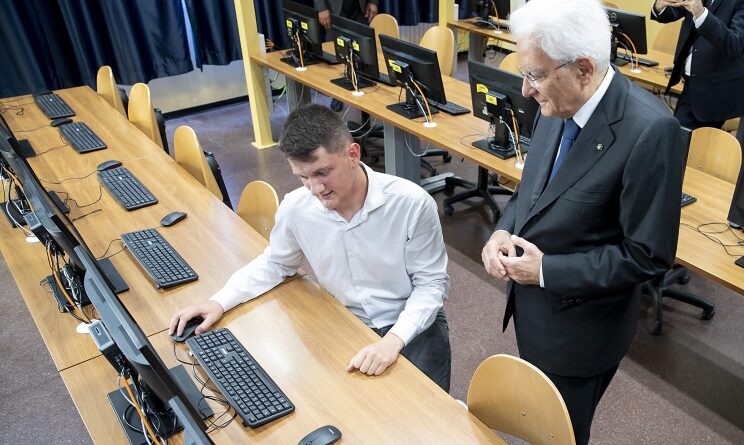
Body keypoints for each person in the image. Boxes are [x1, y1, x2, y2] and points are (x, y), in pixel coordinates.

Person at [480, 0, 684, 443]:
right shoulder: (558, 98)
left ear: (584, 68)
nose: (526, 88)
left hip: (580, 334)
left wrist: (546, 271)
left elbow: (648, 256)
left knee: (561, 436)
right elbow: (531, 190)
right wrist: (502, 229)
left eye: (534, 75)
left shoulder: (650, 130)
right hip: (535, 315)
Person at [170, 104, 451, 391]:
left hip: (414, 328)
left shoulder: (411, 204)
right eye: (303, 177)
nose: (315, 189)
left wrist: (393, 341)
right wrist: (219, 301)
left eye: (322, 173)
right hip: (345, 322)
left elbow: (430, 285)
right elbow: (276, 264)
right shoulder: (296, 207)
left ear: (353, 154)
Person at [651, 0, 744, 130]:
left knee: (679, 139)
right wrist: (660, 5)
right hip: (690, 82)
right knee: (676, 135)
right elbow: (671, 13)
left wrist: (701, 14)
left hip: (715, 92)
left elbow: (736, 44)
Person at [314, 0, 379, 111]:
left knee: (364, 50)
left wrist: (372, 1)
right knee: (338, 50)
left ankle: (368, 96)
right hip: (334, 7)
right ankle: (337, 94)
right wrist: (321, 7)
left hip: (359, 7)